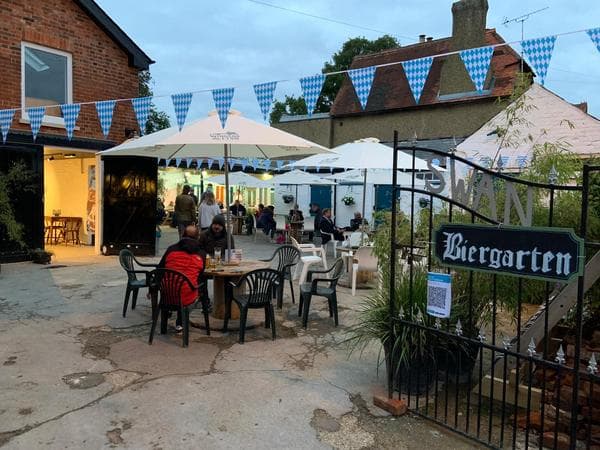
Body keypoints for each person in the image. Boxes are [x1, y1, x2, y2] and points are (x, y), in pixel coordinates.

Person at [157, 225, 206, 332]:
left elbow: (160, 268)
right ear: (197, 237)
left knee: (177, 285)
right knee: (191, 286)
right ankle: (180, 323)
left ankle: (165, 327)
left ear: (183, 235)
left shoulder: (171, 249)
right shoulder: (201, 253)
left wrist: (152, 288)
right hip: (186, 298)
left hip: (167, 294)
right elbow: (201, 274)